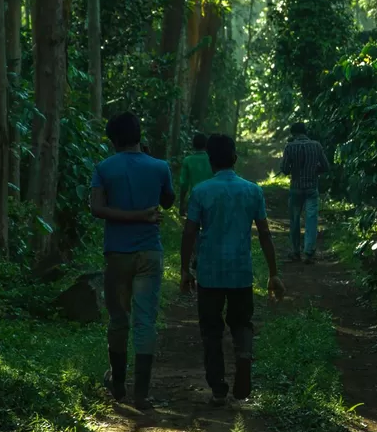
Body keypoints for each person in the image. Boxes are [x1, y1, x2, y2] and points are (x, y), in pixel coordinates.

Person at [180, 134, 285, 409]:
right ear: (235, 159)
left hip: (210, 273)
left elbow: (189, 232)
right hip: (240, 272)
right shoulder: (253, 191)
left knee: (211, 330)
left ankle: (217, 389)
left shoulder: (201, 191)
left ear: (210, 161)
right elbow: (264, 233)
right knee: (241, 322)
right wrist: (273, 273)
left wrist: (184, 270)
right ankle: (244, 355)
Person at [90, 112, 175, 410]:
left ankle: (118, 385)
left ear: (113, 139)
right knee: (145, 320)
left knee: (118, 319)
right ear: (139, 135)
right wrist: (142, 213)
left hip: (117, 253)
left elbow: (97, 208)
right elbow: (168, 200)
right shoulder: (160, 166)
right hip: (150, 251)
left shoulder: (103, 168)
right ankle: (142, 393)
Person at [279, 122, 329, 264]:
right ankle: (309, 252)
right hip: (312, 188)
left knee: (295, 220)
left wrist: (291, 169)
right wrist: (315, 170)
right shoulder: (316, 146)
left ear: (293, 134)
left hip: (296, 188)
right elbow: (326, 167)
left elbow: (285, 169)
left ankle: (295, 251)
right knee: (311, 219)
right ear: (305, 132)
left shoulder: (290, 147)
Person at [178, 133, 214, 281]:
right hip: (212, 198)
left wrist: (181, 202)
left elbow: (183, 184)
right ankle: (207, 256)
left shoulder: (188, 160)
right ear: (206, 146)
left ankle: (198, 255)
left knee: (193, 230)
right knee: (209, 227)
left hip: (195, 198)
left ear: (193, 145)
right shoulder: (212, 159)